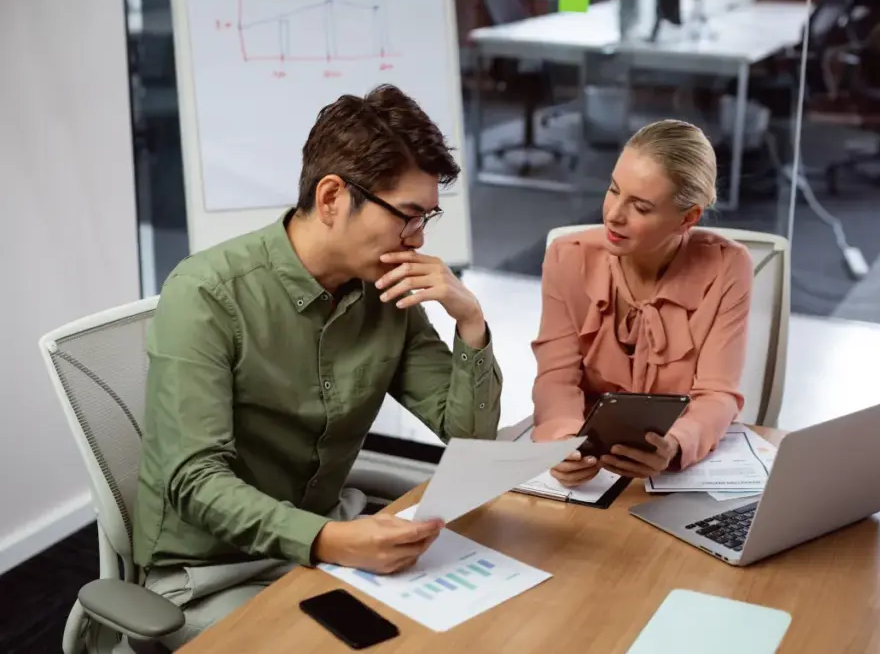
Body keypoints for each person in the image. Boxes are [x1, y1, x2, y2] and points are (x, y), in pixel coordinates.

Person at [132, 84, 502, 649]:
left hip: (328, 548)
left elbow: (469, 437)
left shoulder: (387, 289)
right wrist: (331, 539)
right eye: (407, 216)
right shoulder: (207, 294)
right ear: (331, 197)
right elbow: (194, 481)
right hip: (211, 574)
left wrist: (469, 320)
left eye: (426, 217)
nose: (419, 239)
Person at [530, 120, 752, 487]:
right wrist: (563, 442)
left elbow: (717, 392)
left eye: (641, 207)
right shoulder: (567, 257)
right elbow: (556, 377)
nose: (614, 214)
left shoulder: (729, 266)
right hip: (588, 464)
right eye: (613, 190)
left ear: (688, 218)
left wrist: (676, 444)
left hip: (669, 470)